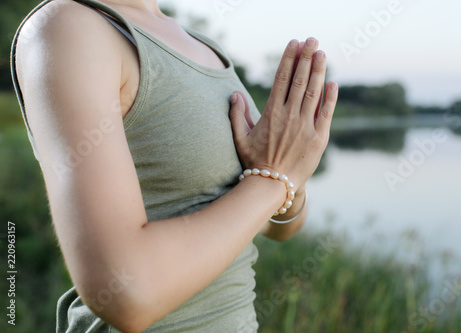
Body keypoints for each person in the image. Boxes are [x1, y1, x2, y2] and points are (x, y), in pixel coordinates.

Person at [10, 0, 338, 331]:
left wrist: (289, 176)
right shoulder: (67, 27)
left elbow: (277, 226)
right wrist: (272, 182)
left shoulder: (202, 45)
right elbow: (126, 294)